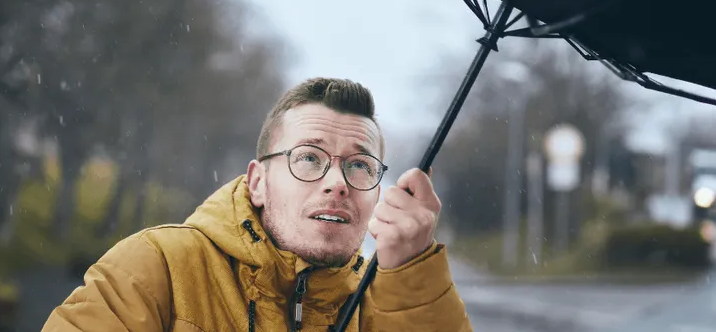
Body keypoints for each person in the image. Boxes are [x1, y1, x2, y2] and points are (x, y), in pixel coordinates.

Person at [42, 77, 472, 331]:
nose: (337, 183)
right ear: (258, 182)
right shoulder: (158, 267)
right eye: (308, 158)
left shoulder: (386, 305)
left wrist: (413, 278)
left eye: (360, 165)